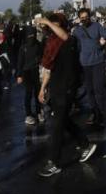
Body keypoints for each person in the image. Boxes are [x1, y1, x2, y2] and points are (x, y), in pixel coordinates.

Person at [36, 13, 97, 177]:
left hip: (67, 88)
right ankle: (85, 144)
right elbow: (48, 69)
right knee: (64, 120)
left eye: (53, 25)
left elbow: (64, 35)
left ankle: (54, 162)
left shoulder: (69, 41)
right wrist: (42, 88)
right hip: (55, 88)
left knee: (57, 127)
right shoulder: (51, 44)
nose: (49, 28)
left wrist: (48, 22)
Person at [72, 8, 106, 126]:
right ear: (79, 18)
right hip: (85, 63)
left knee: (98, 90)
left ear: (90, 16)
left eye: (86, 17)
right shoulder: (77, 31)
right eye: (82, 17)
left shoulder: (97, 26)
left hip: (98, 62)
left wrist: (102, 42)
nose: (84, 19)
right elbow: (75, 46)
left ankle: (101, 114)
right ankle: (94, 112)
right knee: (89, 90)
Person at [16, 25, 44, 125]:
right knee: (28, 94)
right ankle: (28, 114)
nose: (32, 36)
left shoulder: (38, 44)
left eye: (33, 34)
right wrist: (19, 75)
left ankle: (39, 111)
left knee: (38, 93)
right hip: (26, 72)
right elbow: (20, 62)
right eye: (30, 35)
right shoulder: (23, 47)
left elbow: (42, 56)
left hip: (36, 71)